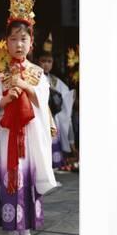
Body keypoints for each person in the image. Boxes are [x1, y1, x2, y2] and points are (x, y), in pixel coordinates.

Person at [0, 0, 57, 235]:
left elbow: (43, 99)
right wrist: (3, 100)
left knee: (26, 183)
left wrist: (25, 85)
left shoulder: (38, 73)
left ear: (31, 42)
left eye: (23, 39)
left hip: (29, 139)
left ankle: (25, 231)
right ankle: (12, 233)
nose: (18, 44)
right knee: (10, 181)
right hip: (7, 139)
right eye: (13, 39)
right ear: (6, 42)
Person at [37, 35, 76, 171]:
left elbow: (66, 94)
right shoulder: (33, 76)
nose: (46, 64)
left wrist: (72, 95)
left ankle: (54, 164)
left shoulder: (54, 80)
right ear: (38, 61)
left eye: (49, 61)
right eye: (43, 61)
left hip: (51, 116)